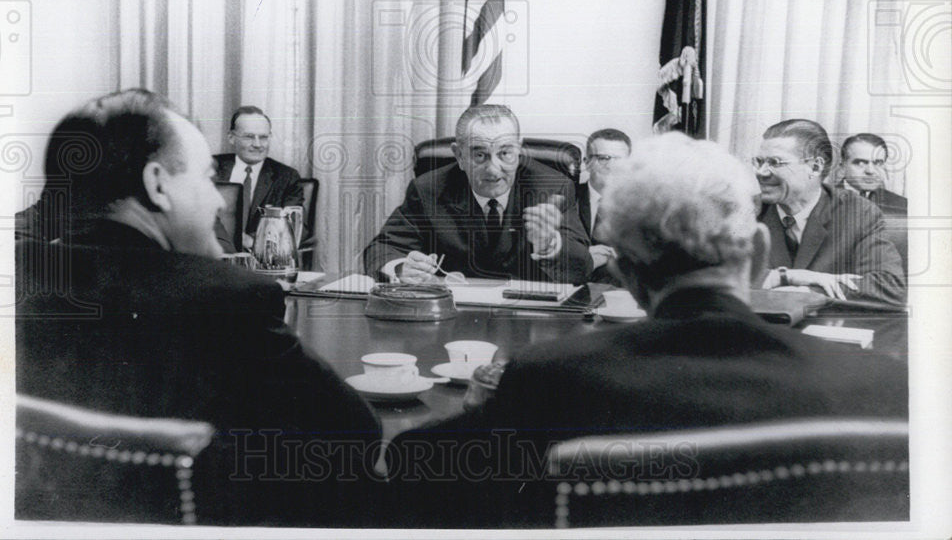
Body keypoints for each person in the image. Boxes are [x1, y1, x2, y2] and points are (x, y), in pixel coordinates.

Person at [386, 133, 908, 527]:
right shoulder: (884, 385)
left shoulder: (549, 380)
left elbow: (409, 467)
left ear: (629, 276)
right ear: (755, 257)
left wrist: (486, 413)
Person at [15, 90, 381, 526]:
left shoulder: (11, 281)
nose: (220, 200)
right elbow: (357, 435)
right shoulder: (230, 299)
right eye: (207, 178)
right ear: (157, 184)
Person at [362, 104, 592, 284]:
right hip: (455, 314)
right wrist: (402, 267)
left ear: (519, 149)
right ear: (459, 155)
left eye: (505, 153)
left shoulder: (553, 187)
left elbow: (582, 268)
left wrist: (550, 243)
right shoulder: (428, 189)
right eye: (480, 155)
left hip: (528, 320)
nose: (493, 169)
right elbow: (382, 248)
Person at [754, 119, 905, 305]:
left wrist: (808, 291)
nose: (761, 172)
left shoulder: (858, 213)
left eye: (775, 163)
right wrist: (786, 277)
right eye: (759, 162)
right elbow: (715, 280)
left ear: (815, 167)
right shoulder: (745, 210)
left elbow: (889, 286)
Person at [214, 106, 304, 251]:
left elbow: (291, 230)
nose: (257, 144)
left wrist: (251, 242)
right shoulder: (210, 168)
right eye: (249, 137)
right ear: (231, 137)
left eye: (263, 137)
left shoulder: (287, 178)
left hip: (260, 261)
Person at [576, 128, 632, 280]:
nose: (611, 166)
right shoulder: (565, 197)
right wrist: (583, 257)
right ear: (587, 163)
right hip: (569, 289)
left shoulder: (641, 208)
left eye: (619, 160)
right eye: (603, 158)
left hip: (621, 295)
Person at [837, 133, 908, 216]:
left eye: (878, 163)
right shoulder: (822, 201)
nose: (870, 171)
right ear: (842, 167)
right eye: (860, 163)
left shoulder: (902, 205)